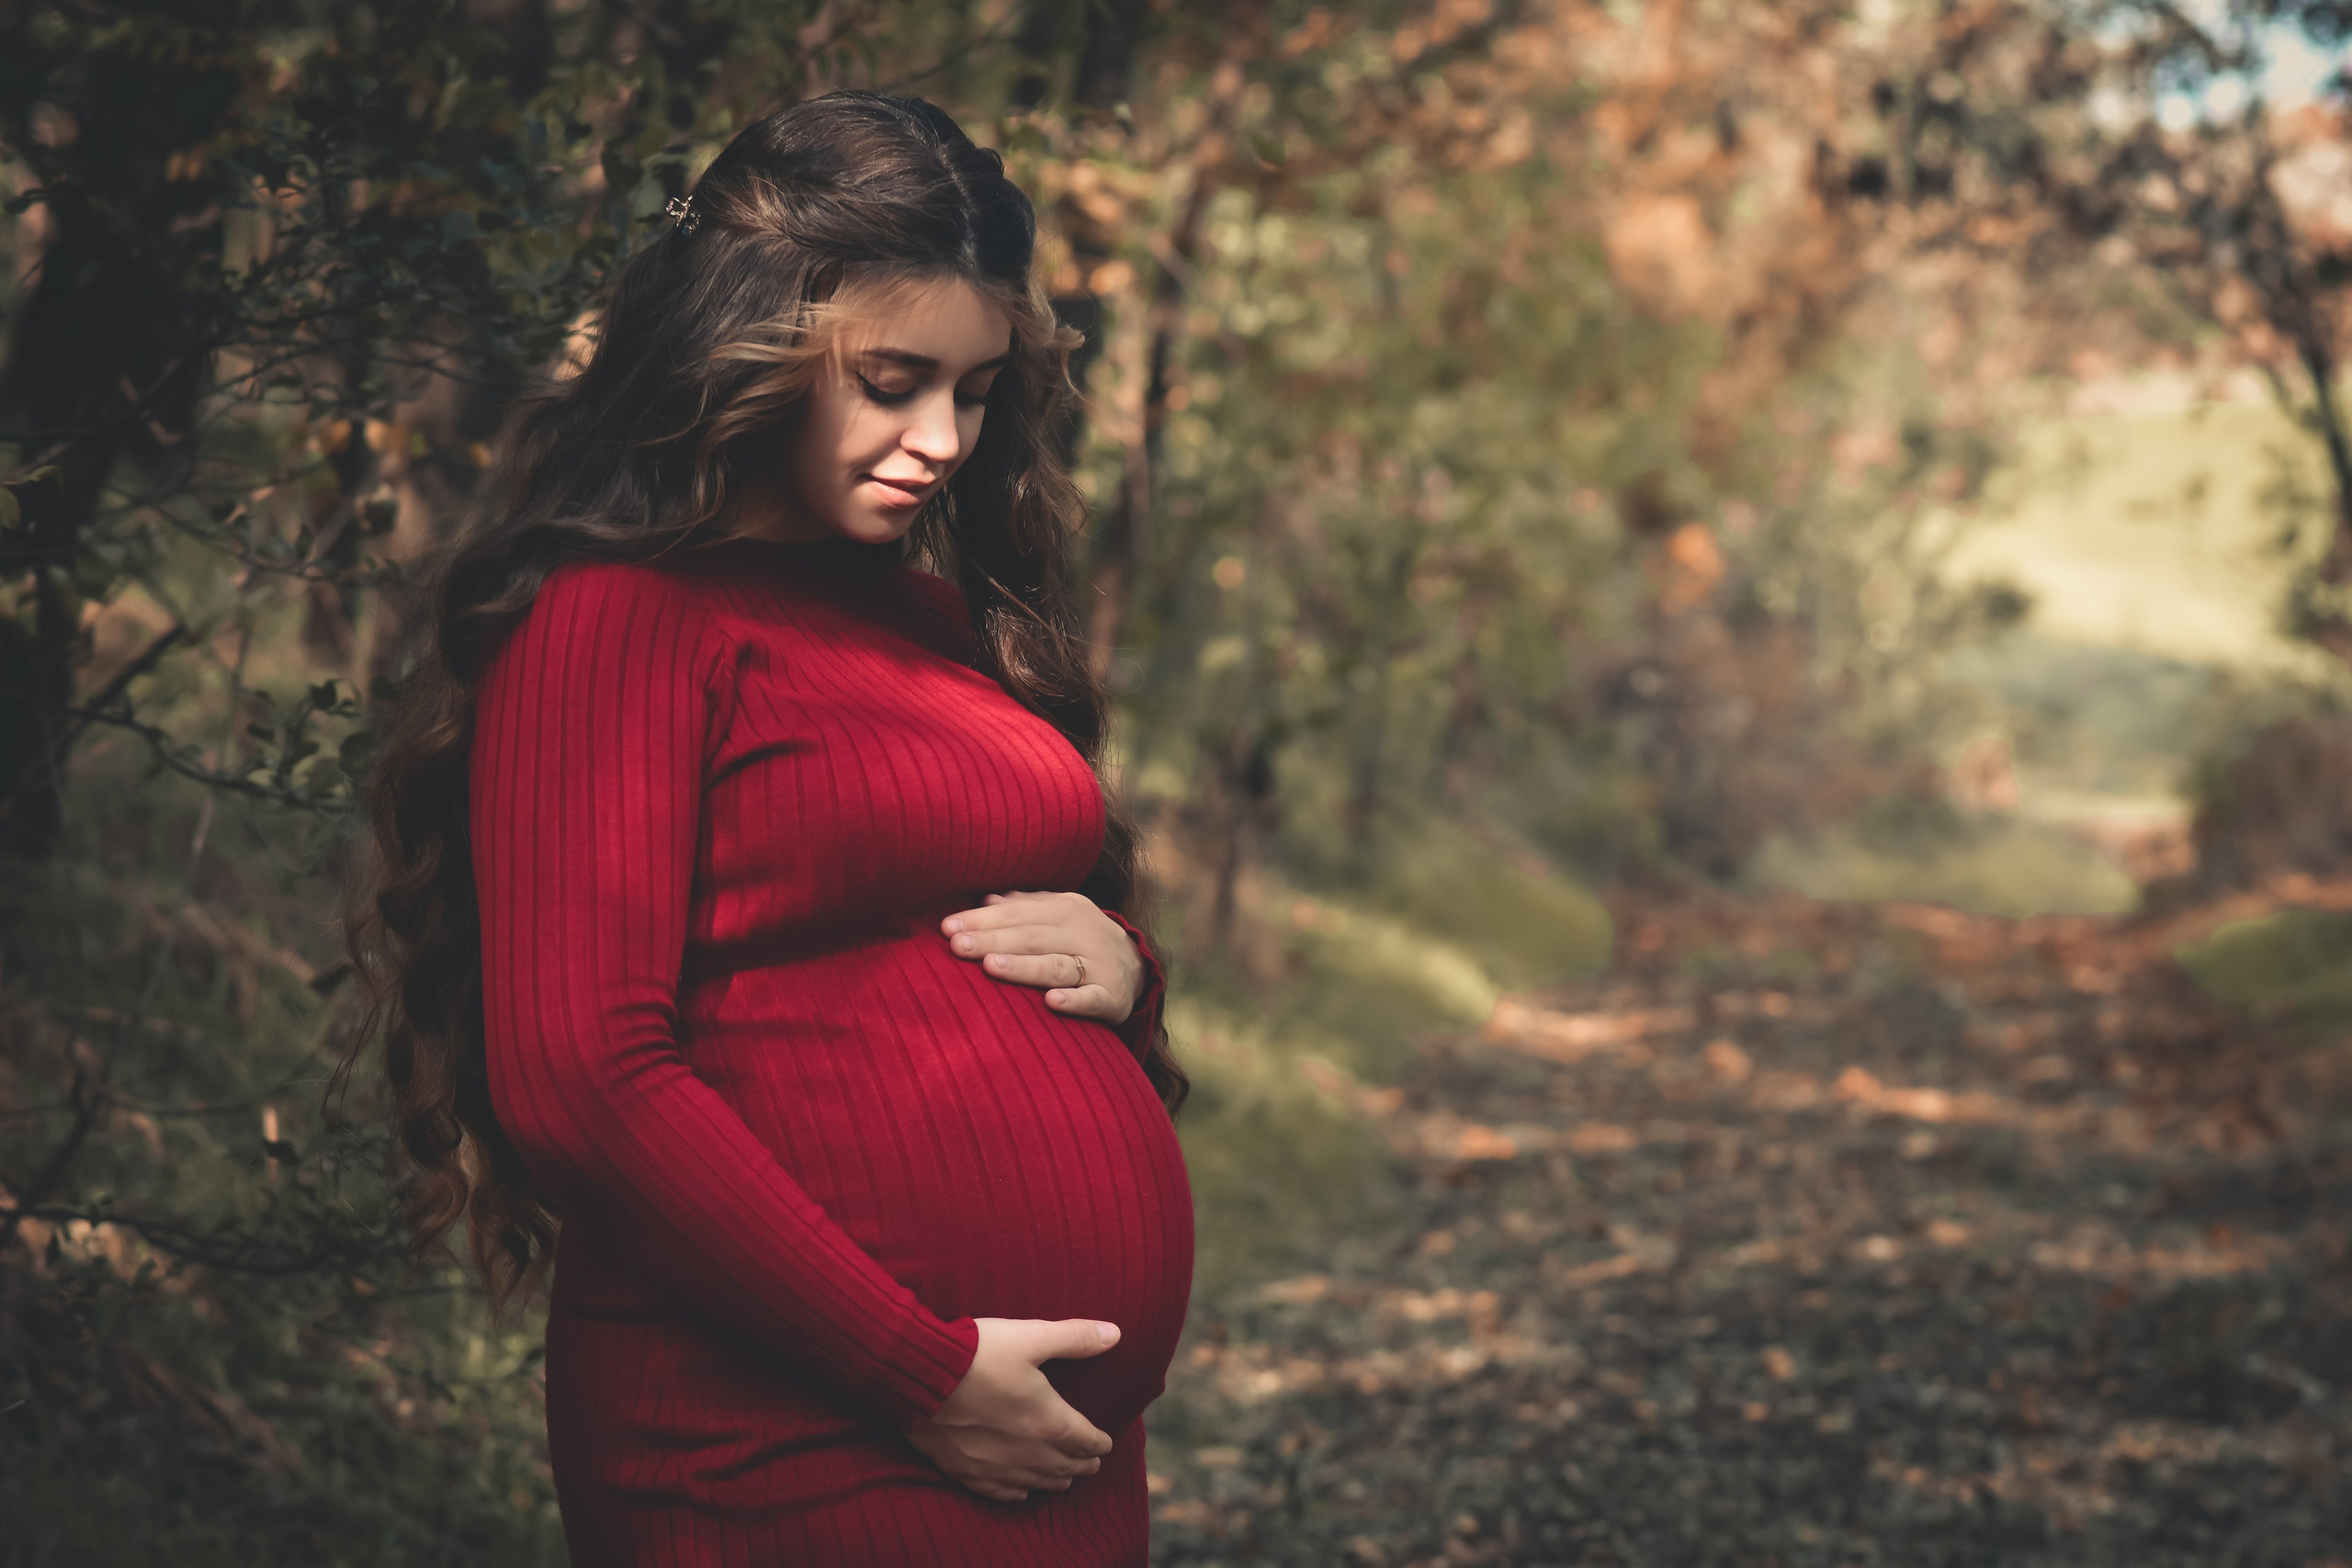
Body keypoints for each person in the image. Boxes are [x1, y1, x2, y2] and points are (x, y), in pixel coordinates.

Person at [346, 92, 1193, 1567]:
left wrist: (1125, 965)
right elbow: (581, 1081)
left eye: (975, 390)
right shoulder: (615, 622)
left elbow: (926, 925)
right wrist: (920, 1373)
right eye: (893, 381)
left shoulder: (925, 620)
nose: (941, 438)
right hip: (790, 1434)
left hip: (1036, 1453)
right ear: (750, 342)